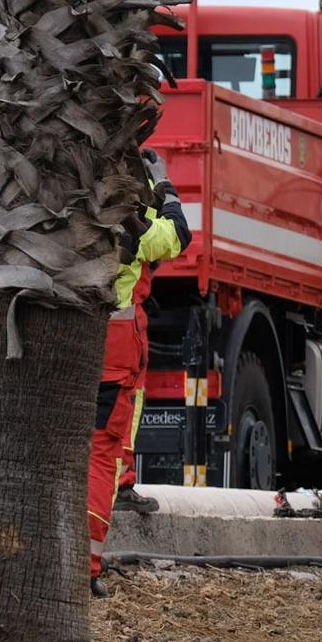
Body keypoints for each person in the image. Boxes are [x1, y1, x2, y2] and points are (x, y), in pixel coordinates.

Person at [88, 149, 192, 597]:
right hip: (114, 349)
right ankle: (87, 563)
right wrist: (165, 186)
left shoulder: (69, 215)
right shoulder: (135, 228)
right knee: (101, 453)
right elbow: (179, 235)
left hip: (71, 347)